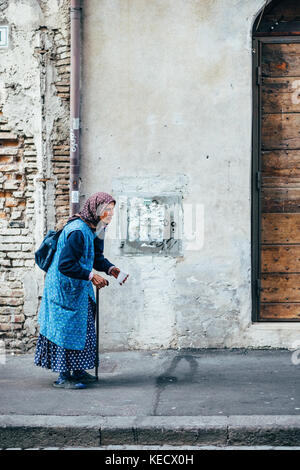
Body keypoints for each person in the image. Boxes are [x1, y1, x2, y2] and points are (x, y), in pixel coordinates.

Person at [34, 192, 129, 389]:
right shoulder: (77, 231)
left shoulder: (98, 228)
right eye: (106, 209)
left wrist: (111, 269)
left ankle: (77, 371)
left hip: (78, 285)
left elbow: (96, 257)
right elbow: (66, 264)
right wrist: (91, 276)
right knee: (65, 329)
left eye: (112, 209)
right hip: (63, 286)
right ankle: (63, 377)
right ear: (95, 209)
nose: (109, 213)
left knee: (83, 326)